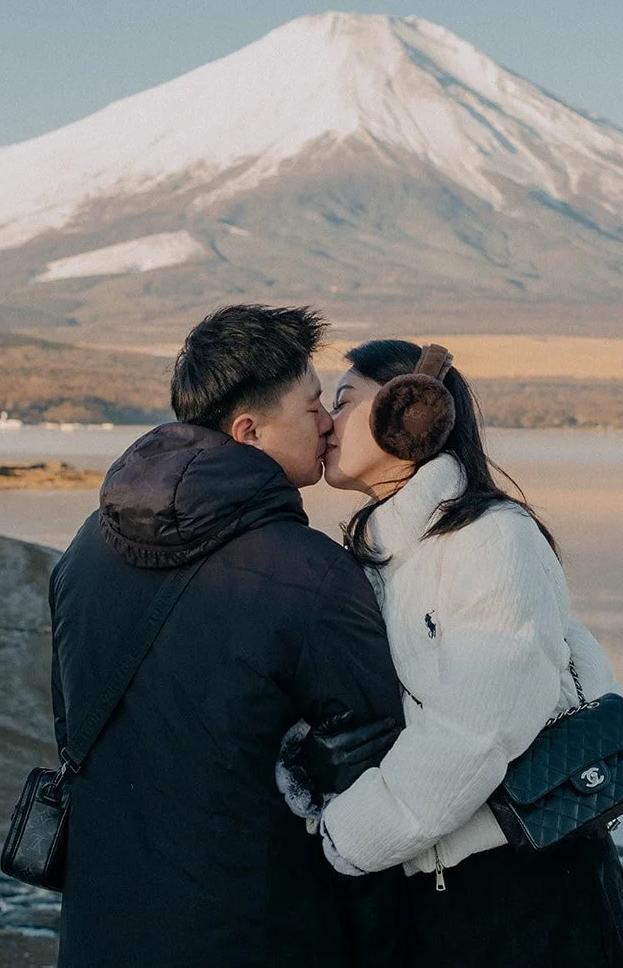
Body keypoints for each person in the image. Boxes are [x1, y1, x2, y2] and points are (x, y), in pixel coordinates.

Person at [48, 305, 403, 968]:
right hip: (254, 931)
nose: (328, 422)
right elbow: (376, 778)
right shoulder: (310, 573)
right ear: (248, 429)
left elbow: (74, 729)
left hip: (102, 922)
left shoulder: (83, 551)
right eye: (312, 407)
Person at [307, 338, 623, 967]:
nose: (328, 421)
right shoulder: (384, 555)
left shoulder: (489, 539)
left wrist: (347, 834)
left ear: (407, 413)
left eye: (345, 401)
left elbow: (477, 731)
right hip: (437, 889)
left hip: (531, 889)